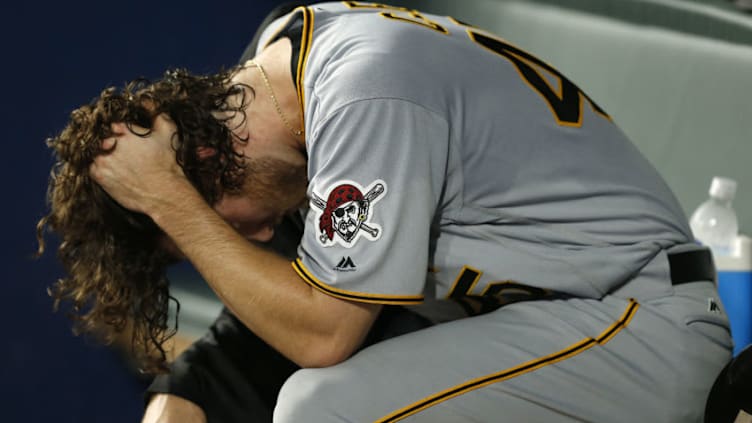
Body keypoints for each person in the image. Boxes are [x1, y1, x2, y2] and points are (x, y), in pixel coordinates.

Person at [39, 2, 734, 422]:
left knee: (323, 407)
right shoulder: (278, 80)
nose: (255, 236)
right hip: (563, 323)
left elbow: (324, 333)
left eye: (218, 222)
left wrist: (171, 202)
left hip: (636, 322)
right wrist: (183, 392)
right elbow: (279, 302)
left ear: (214, 162)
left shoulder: (363, 92)